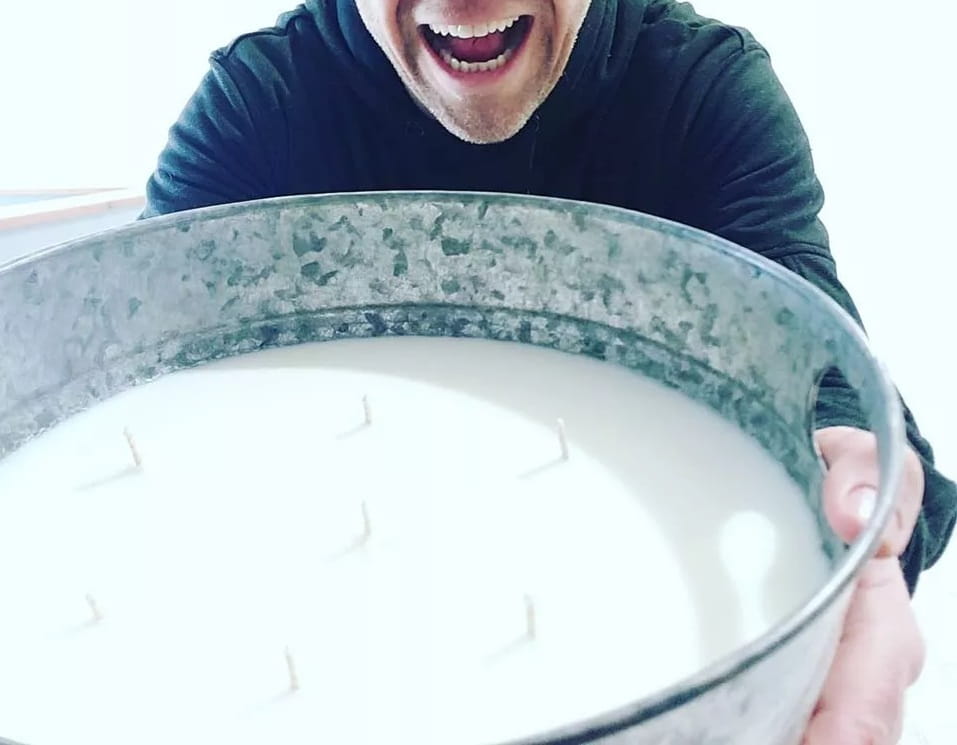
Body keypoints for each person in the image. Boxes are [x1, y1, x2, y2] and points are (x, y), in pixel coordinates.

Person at [143, 0, 956, 741]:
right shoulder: (260, 107)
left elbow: (824, 376)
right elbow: (143, 401)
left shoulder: (698, 94)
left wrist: (862, 516)